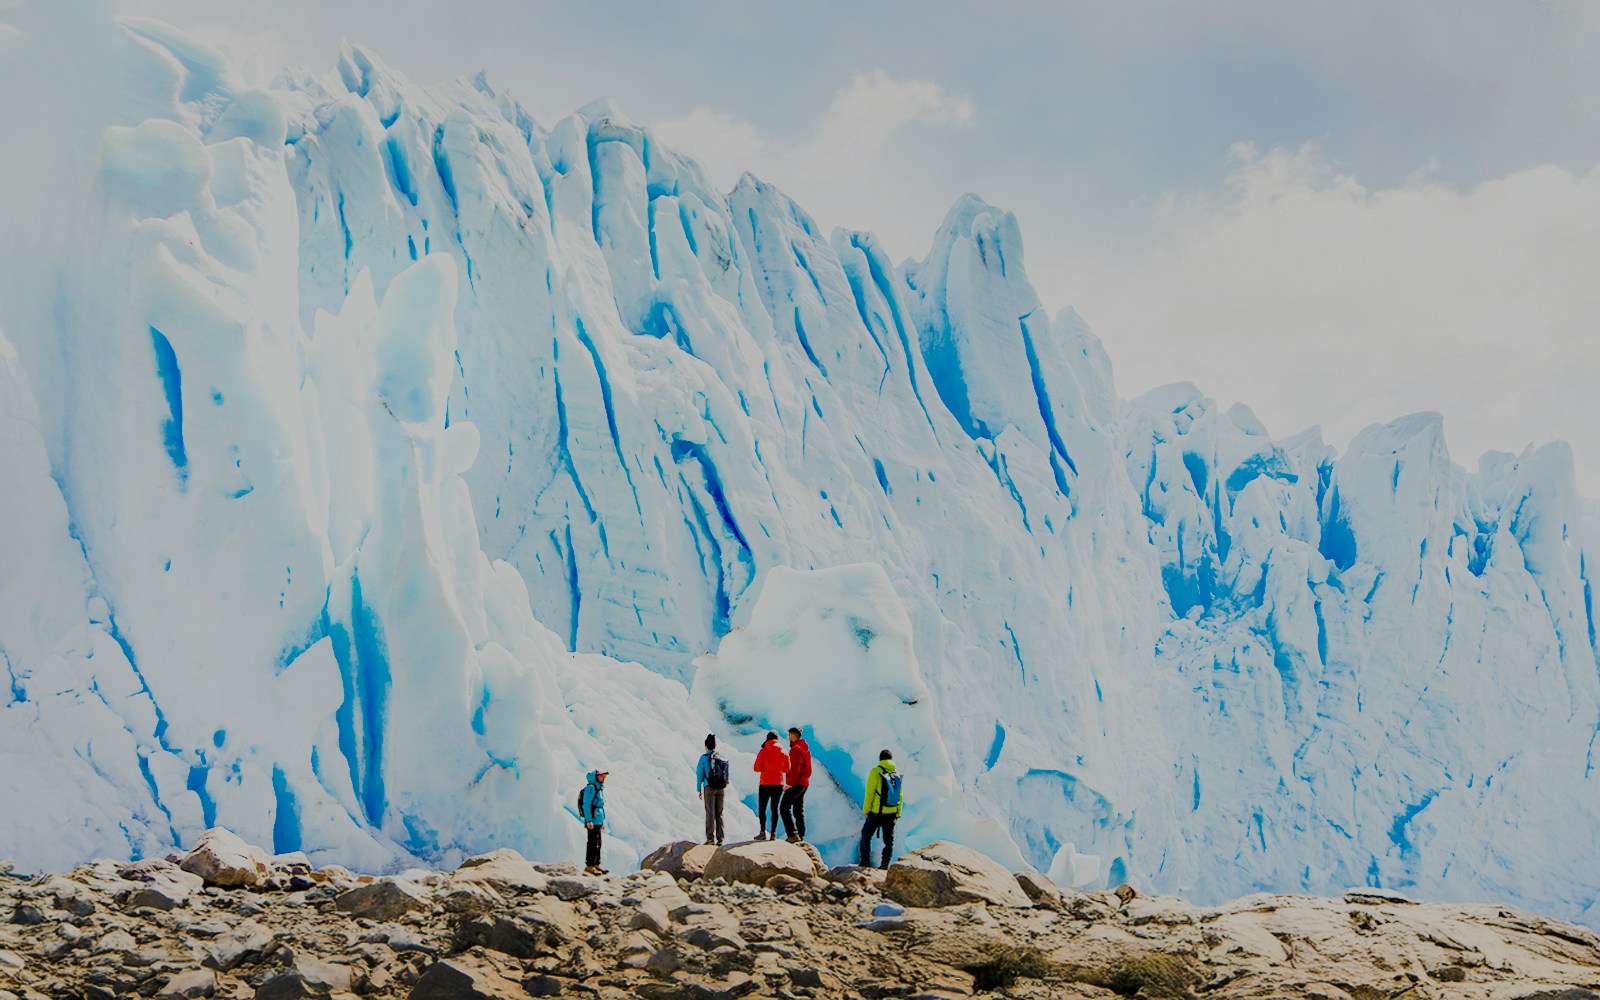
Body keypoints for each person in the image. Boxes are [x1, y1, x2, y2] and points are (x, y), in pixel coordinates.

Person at [859, 749, 902, 868]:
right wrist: (898, 812)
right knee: (889, 841)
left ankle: (865, 861)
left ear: (880, 759)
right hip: (892, 812)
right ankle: (884, 865)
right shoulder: (897, 774)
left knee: (866, 833)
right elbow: (900, 795)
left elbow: (870, 793)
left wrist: (866, 810)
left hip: (877, 812)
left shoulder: (876, 772)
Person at [752, 731, 788, 841]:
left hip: (765, 784)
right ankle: (773, 834)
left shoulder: (763, 751)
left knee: (762, 809)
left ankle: (762, 833)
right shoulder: (784, 752)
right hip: (778, 784)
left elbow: (756, 768)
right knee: (774, 809)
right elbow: (787, 769)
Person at [780, 726, 812, 843]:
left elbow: (795, 768)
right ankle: (801, 835)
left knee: (784, 808)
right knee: (798, 810)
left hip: (796, 783)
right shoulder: (805, 749)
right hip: (804, 783)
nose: (788, 738)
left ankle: (792, 834)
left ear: (793, 736)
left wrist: (790, 783)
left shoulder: (796, 749)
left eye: (789, 735)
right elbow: (808, 768)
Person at [695, 734, 728, 846]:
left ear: (706, 746)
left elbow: (700, 774)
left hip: (709, 787)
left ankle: (710, 839)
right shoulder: (720, 757)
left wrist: (698, 789)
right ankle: (720, 839)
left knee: (710, 813)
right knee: (719, 813)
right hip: (720, 788)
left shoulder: (704, 758)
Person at [579, 769, 608, 874]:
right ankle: (589, 866)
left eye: (604, 776)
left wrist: (601, 822)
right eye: (601, 776)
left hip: (597, 820)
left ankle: (596, 864)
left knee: (598, 843)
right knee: (592, 843)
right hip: (592, 821)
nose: (603, 778)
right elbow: (586, 805)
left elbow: (599, 807)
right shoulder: (591, 788)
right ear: (595, 777)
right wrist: (589, 820)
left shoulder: (598, 789)